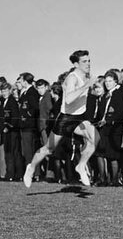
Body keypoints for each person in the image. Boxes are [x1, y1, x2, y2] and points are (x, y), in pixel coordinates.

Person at [23, 50, 98, 188]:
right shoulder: (72, 78)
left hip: (79, 118)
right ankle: (31, 168)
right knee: (48, 149)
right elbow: (69, 99)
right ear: (76, 64)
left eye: (89, 61)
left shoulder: (86, 77)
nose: (88, 64)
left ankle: (81, 166)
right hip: (66, 119)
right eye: (84, 61)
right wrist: (86, 86)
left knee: (95, 138)